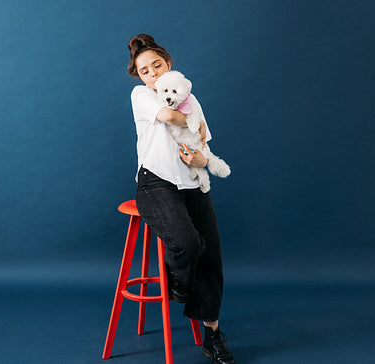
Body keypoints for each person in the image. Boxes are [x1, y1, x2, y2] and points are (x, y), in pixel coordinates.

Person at [128, 34, 235, 364]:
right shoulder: (142, 96)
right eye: (145, 70)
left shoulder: (192, 99)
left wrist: (202, 160)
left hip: (192, 183)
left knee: (211, 257)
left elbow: (204, 146)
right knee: (188, 244)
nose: (153, 74)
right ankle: (179, 282)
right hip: (155, 184)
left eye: (157, 65)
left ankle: (213, 337)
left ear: (168, 63)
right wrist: (195, 123)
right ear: (141, 76)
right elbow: (173, 118)